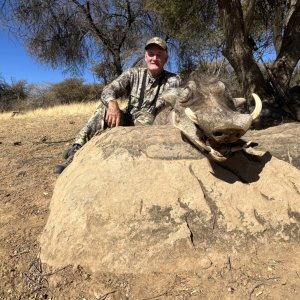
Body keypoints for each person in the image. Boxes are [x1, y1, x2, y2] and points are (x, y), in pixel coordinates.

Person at [54, 37, 181, 174]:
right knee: (103, 109)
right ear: (145, 57)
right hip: (127, 121)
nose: (154, 58)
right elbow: (108, 90)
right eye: (151, 54)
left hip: (152, 127)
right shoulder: (133, 73)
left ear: (166, 58)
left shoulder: (174, 80)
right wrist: (112, 104)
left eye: (159, 55)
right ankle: (76, 149)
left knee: (147, 119)